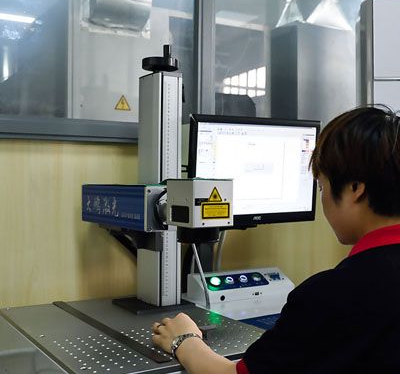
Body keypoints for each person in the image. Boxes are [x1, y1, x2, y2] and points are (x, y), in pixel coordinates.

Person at [152, 106, 400, 373]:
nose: (322, 197)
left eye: (321, 186)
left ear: (355, 188)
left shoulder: (331, 295)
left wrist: (183, 340)